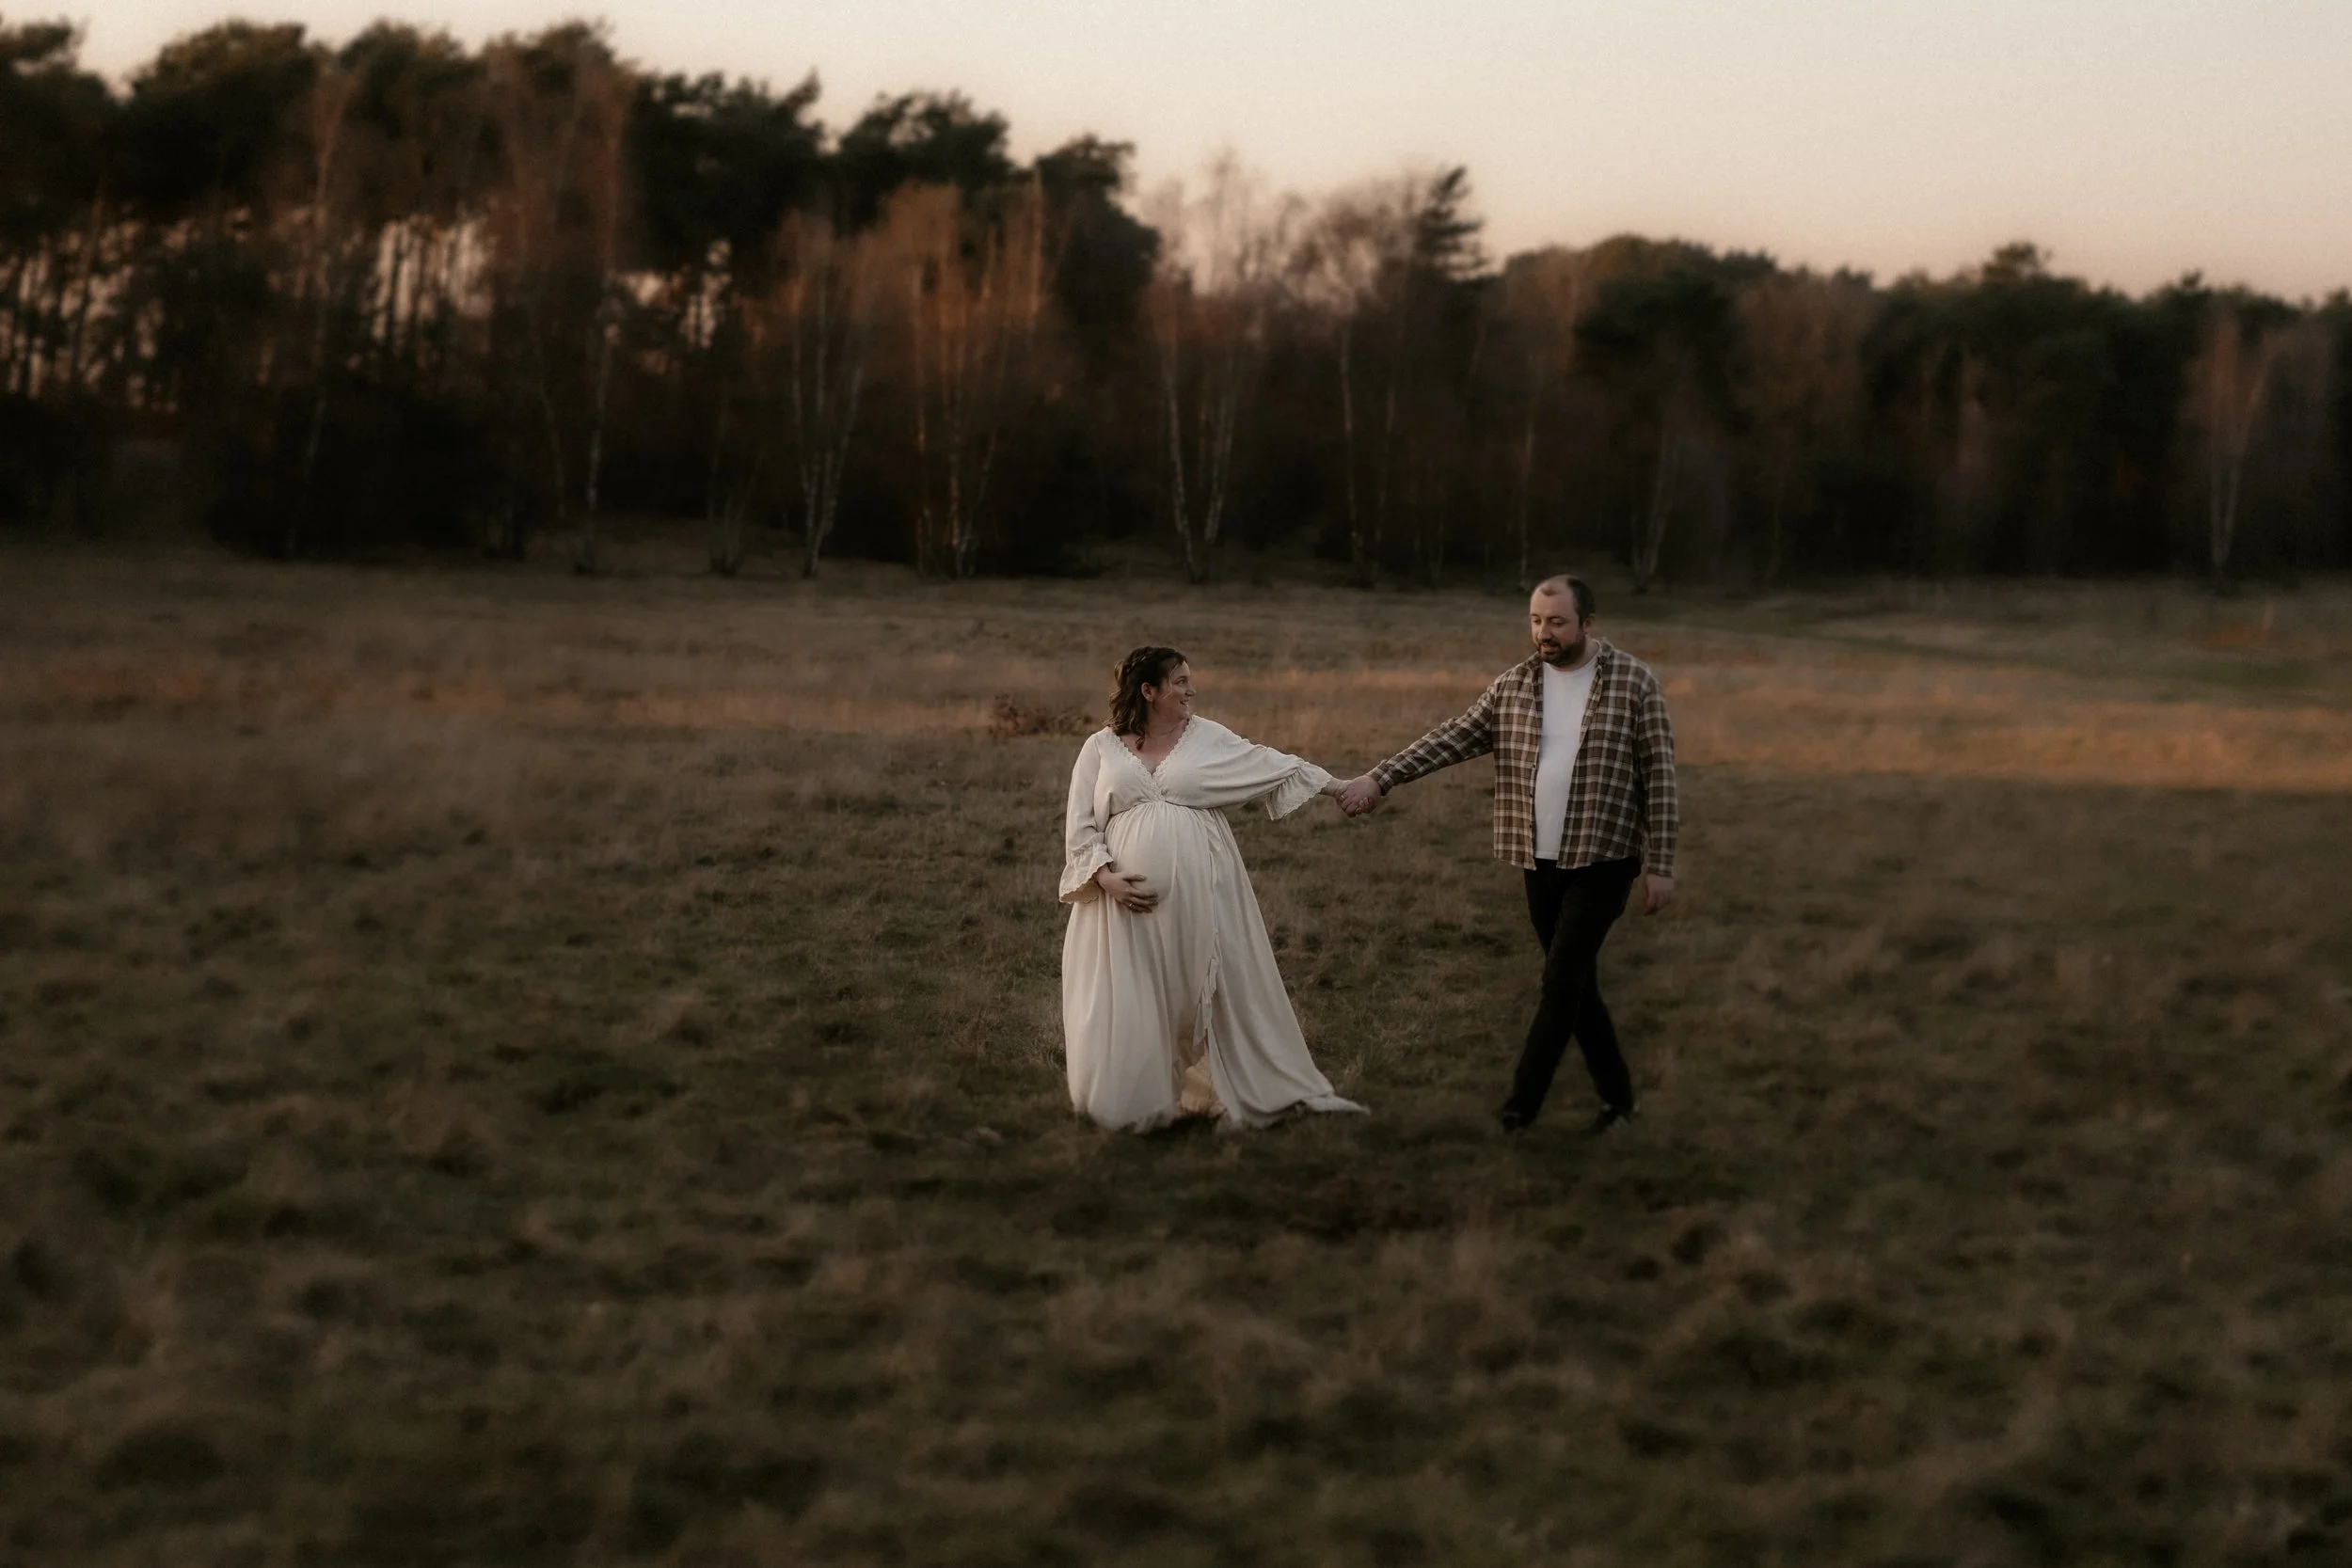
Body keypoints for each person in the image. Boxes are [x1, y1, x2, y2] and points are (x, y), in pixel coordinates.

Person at [1335, 576, 1677, 1134]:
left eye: (1558, 622)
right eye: (1537, 621)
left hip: (1605, 858)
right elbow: (1450, 738)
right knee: (1576, 986)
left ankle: (1520, 1109)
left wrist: (1660, 862)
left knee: (1561, 981)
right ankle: (1620, 1102)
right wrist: (1381, 777)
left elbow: (1659, 777)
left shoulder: (1635, 682)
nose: (1544, 632)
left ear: (1588, 624)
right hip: (1536, 859)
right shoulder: (1515, 685)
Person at [1061, 646, 1369, 1132]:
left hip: (1204, 893)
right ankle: (1138, 1103)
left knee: (1204, 986)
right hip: (1124, 904)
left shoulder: (1206, 738)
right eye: (1180, 681)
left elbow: (1273, 764)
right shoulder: (1100, 748)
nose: (1191, 690)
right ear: (1150, 691)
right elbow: (1079, 825)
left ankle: (1232, 1087)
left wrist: (1341, 787)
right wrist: (1106, 878)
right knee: (1137, 995)